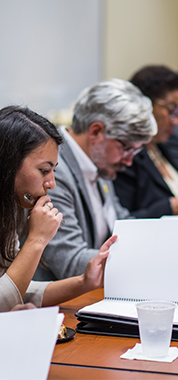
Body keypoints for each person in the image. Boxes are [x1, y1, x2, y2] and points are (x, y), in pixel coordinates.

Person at [0, 105, 116, 314]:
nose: (51, 183)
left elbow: (16, 290)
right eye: (44, 170)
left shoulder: (5, 214)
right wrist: (37, 240)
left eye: (53, 171)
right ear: (7, 165)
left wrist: (84, 282)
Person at [33, 79, 157, 281]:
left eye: (136, 151)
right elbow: (71, 263)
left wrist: (161, 239)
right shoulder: (55, 170)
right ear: (96, 132)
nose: (129, 161)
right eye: (127, 148)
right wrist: (150, 256)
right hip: (56, 305)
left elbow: (123, 223)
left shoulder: (99, 161)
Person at [114, 65, 178, 218]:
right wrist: (170, 207)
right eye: (172, 110)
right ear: (145, 107)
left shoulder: (167, 145)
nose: (176, 120)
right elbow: (123, 220)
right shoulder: (125, 156)